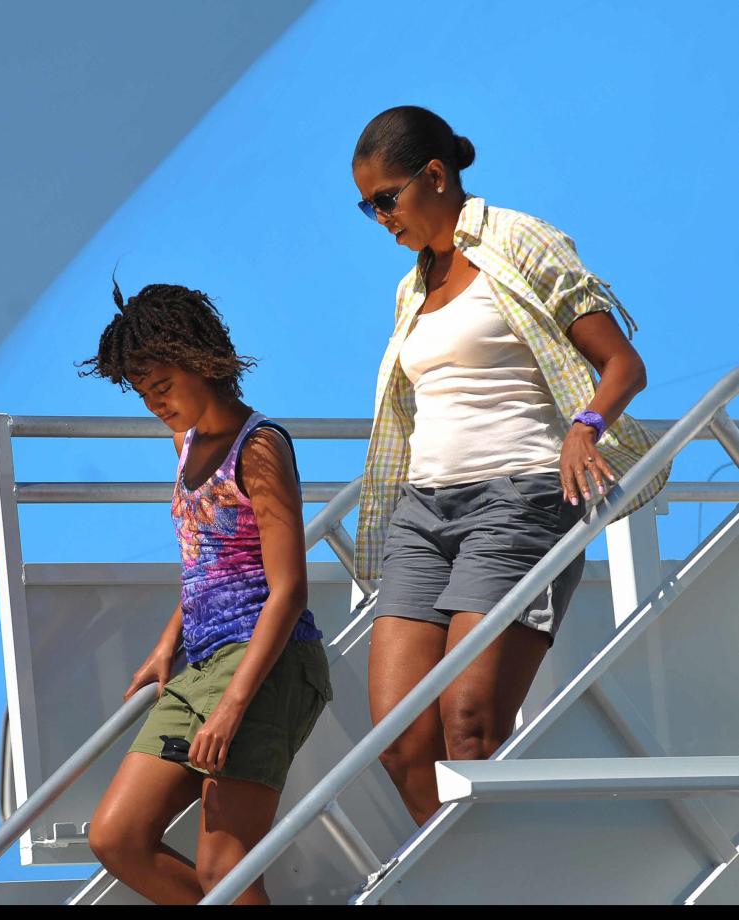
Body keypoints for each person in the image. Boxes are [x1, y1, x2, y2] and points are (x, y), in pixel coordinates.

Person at [350, 105, 670, 828]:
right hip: (422, 512)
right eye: (364, 206)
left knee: (468, 727)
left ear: (434, 176)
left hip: (519, 499)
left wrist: (584, 427)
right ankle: (462, 873)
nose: (378, 218)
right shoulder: (411, 287)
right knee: (399, 741)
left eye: (385, 199)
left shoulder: (521, 241)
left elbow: (622, 364)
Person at [76, 281, 331, 904]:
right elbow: (207, 560)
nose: (155, 404)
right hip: (202, 665)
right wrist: (169, 643)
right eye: (144, 395)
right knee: (117, 837)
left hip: (265, 663)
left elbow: (288, 589)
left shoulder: (260, 448)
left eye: (162, 386)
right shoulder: (185, 444)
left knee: (226, 870)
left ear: (200, 361)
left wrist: (232, 706)